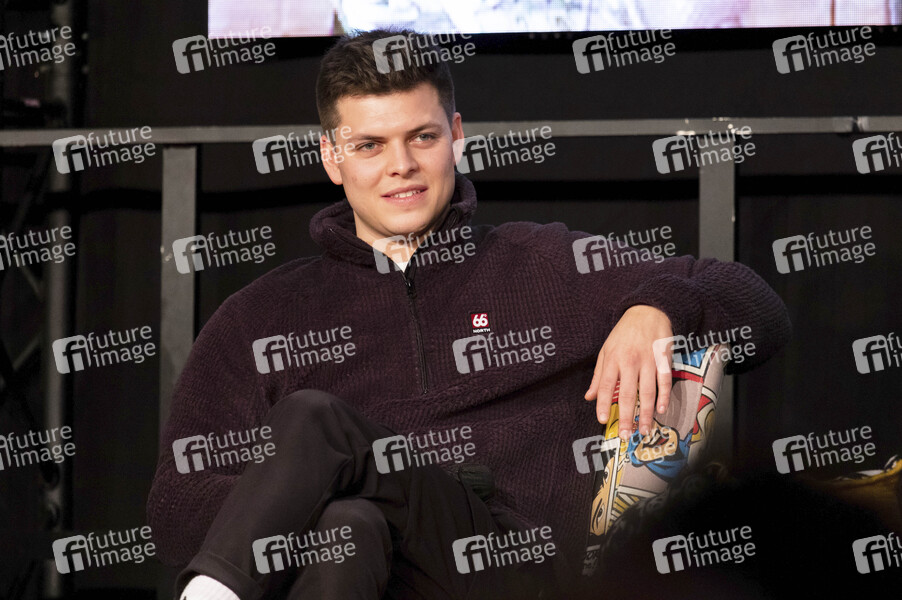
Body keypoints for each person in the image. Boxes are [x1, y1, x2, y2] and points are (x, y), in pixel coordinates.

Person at [147, 28, 792, 600]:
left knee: (315, 423)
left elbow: (759, 308)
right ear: (331, 158)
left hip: (513, 572)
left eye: (422, 137)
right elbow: (176, 506)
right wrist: (312, 498)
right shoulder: (260, 318)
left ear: (456, 136)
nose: (401, 166)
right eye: (369, 145)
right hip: (360, 572)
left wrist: (658, 307)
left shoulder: (545, 264)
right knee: (348, 526)